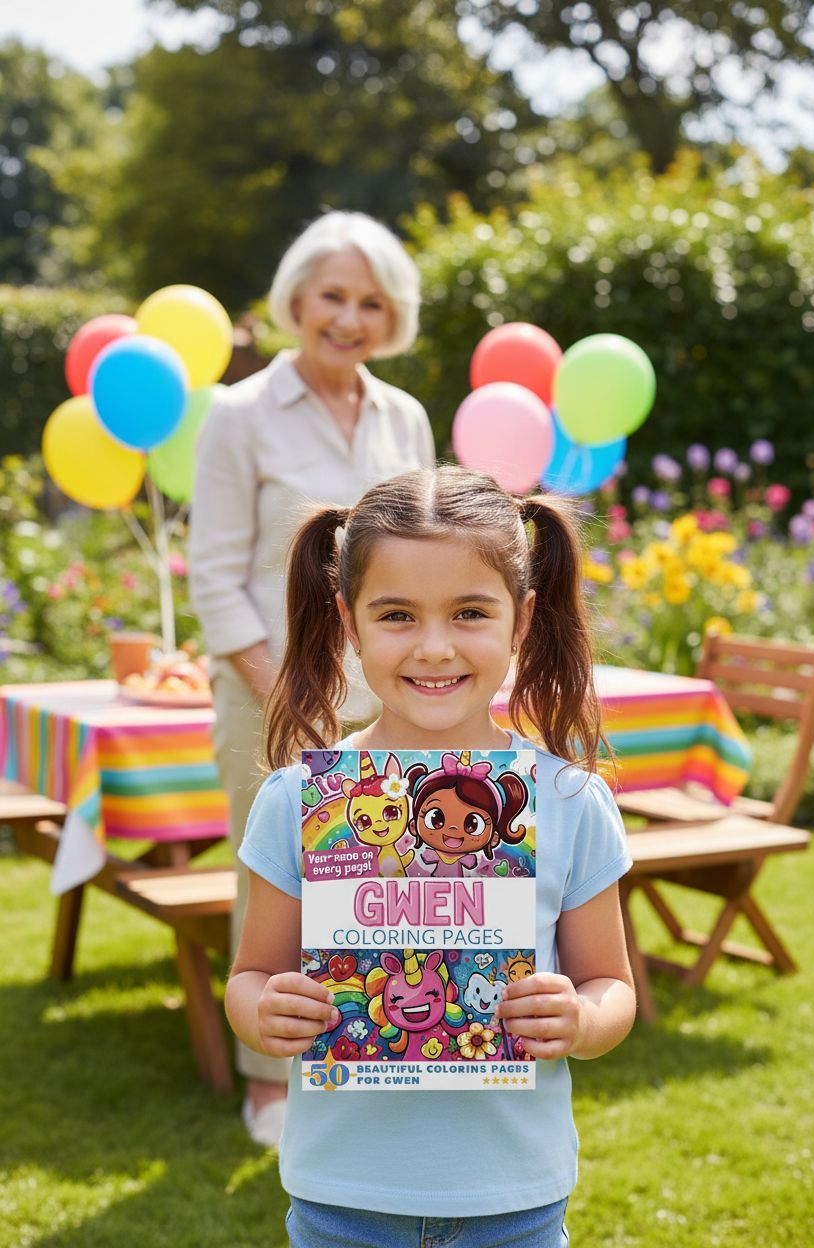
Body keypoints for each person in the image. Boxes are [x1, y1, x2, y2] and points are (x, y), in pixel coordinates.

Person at [226, 465, 636, 1244]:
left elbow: (612, 985)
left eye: (470, 612)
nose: (435, 646)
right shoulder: (297, 801)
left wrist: (580, 1019)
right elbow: (250, 976)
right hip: (340, 1201)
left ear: (522, 620)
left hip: (514, 1203)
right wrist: (263, 1012)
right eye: (397, 615)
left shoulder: (571, 803)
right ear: (349, 623)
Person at [189, 212, 435, 1146]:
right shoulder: (238, 414)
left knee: (382, 877)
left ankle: (373, 1051)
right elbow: (215, 574)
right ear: (297, 298)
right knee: (277, 884)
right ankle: (268, 1082)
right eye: (334, 295)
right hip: (268, 697)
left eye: (372, 301)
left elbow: (423, 558)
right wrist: (292, 701)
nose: (350, 316)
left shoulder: (405, 415)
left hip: (390, 695)